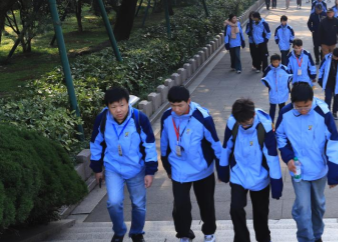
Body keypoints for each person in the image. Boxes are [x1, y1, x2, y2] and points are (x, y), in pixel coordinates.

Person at [276, 83, 338, 242]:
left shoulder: (322, 112)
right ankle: (305, 238)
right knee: (304, 207)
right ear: (293, 102)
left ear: (312, 100)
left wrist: (334, 174)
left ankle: (317, 235)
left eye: (307, 106)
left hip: (319, 169)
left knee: (318, 205)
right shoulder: (286, 113)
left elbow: (333, 141)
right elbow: (280, 136)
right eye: (298, 107)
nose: (303, 110)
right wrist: (288, 158)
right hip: (298, 170)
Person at [90, 87, 157, 242]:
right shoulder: (102, 119)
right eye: (113, 107)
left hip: (136, 168)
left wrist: (150, 171)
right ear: (108, 107)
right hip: (113, 168)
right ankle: (119, 232)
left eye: (122, 105)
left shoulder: (139, 118)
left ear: (128, 103)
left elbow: (149, 145)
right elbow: (95, 144)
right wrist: (97, 168)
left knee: (139, 204)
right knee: (113, 202)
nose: (118, 110)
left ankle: (137, 233)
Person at [160, 86, 222, 242]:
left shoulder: (202, 117)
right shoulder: (167, 117)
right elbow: (164, 144)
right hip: (178, 168)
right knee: (180, 205)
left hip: (202, 169)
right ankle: (184, 233)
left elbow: (215, 144)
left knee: (206, 203)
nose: (176, 109)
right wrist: (167, 166)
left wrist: (222, 168)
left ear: (188, 101)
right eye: (173, 105)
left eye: (180, 105)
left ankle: (209, 232)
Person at [217, 99, 283, 242]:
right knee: (235, 209)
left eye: (247, 123)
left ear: (253, 115)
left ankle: (264, 239)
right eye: (241, 123)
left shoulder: (265, 126)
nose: (244, 126)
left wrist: (277, 183)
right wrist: (222, 170)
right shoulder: (233, 122)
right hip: (238, 174)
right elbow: (226, 147)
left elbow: (272, 156)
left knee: (261, 214)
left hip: (260, 176)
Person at [318, 48, 338, 120]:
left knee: (336, 99)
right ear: (332, 54)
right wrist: (320, 78)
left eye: (337, 57)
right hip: (328, 82)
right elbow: (321, 69)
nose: (336, 58)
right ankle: (327, 112)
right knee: (328, 98)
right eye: (334, 57)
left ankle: (335, 112)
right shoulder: (326, 58)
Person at [262, 54, 293, 120]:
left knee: (282, 107)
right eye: (274, 62)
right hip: (273, 92)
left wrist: (286, 86)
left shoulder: (284, 68)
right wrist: (270, 86)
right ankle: (271, 121)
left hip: (282, 92)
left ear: (279, 61)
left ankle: (281, 120)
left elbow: (289, 77)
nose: (275, 64)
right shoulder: (268, 69)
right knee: (272, 108)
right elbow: (264, 79)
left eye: (277, 62)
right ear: (271, 62)